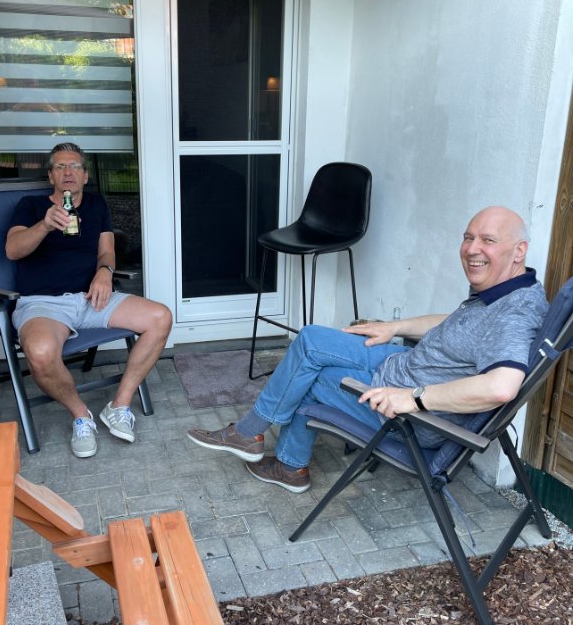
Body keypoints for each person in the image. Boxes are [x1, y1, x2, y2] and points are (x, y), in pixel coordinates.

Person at [187, 206, 547, 492]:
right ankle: (253, 436)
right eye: (468, 237)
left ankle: (284, 461)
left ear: (519, 251)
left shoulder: (515, 314)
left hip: (409, 410)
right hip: (404, 364)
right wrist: (395, 326)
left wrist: (414, 399)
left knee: (310, 377)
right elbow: (458, 324)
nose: (472, 249)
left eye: (487, 240)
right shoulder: (507, 289)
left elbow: (501, 387)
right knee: (310, 339)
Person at [6, 141, 172, 458]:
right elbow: (12, 250)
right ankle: (81, 415)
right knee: (40, 354)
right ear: (51, 176)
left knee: (160, 317)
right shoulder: (31, 206)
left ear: (84, 175)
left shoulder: (96, 204)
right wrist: (44, 225)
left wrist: (105, 272)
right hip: (43, 304)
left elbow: (106, 251)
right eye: (60, 166)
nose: (68, 172)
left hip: (91, 298)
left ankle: (119, 406)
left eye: (75, 166)